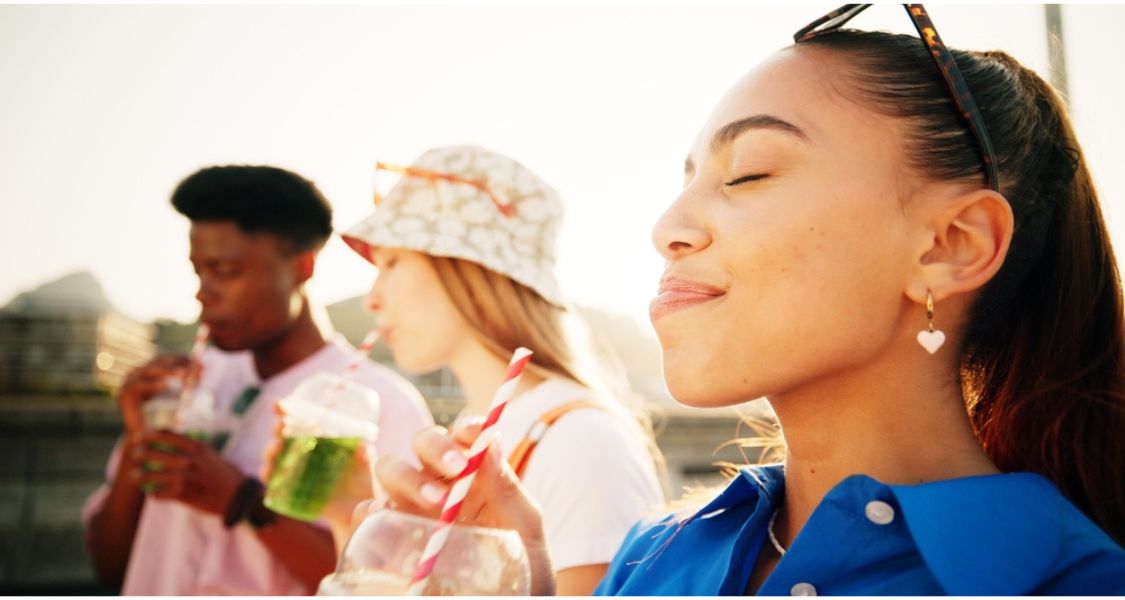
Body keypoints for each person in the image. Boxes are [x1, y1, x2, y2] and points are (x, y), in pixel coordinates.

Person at [374, 5, 1125, 596]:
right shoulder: (650, 557)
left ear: (949, 244)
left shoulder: (1081, 585)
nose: (666, 228)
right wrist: (517, 581)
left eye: (748, 173)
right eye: (687, 178)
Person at [82, 165, 433, 595]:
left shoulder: (380, 404)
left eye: (225, 271)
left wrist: (241, 500)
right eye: (198, 272)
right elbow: (110, 569)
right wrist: (139, 446)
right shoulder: (185, 388)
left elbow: (390, 585)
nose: (202, 292)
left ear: (302, 266)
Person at [338, 145, 666, 595]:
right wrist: (345, 516)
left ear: (469, 268)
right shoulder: (480, 431)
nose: (371, 298)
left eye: (392, 262)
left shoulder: (580, 439)